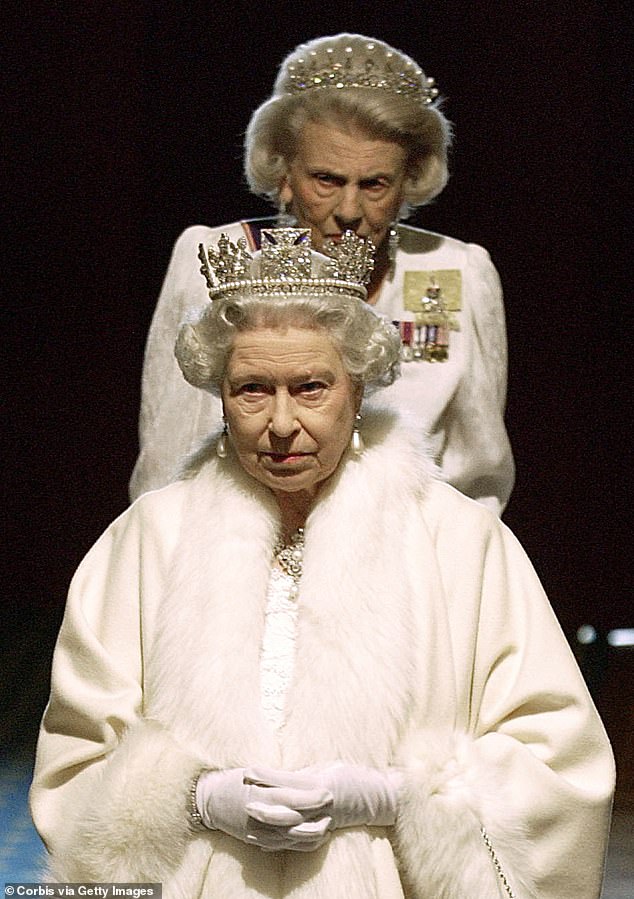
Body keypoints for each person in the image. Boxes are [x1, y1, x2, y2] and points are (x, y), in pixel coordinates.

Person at [31, 229, 613, 898]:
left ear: (358, 390)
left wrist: (394, 796)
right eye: (252, 388)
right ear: (219, 394)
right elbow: (74, 759)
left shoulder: (463, 542)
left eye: (311, 387)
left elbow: (559, 762)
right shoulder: (147, 539)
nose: (280, 423)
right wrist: (195, 798)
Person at [130, 33, 514, 514]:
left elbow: (480, 474)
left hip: (412, 555)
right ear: (284, 175)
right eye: (326, 180)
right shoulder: (213, 257)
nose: (349, 209)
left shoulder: (456, 271)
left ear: (408, 184)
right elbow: (169, 463)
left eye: (374, 184)